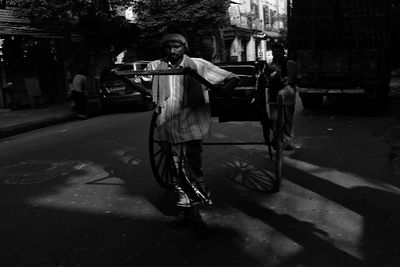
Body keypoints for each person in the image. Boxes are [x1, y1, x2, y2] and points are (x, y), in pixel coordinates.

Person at [145, 30, 240, 231]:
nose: (172, 51)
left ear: (184, 48)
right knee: (175, 172)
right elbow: (140, 81)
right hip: (166, 128)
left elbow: (232, 77)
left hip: (191, 126)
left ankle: (195, 211)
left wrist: (223, 91)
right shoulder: (154, 67)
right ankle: (182, 211)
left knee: (192, 169)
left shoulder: (199, 65)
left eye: (176, 47)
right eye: (168, 47)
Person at [267, 42, 297, 151]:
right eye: (275, 52)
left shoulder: (291, 63)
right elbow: (267, 79)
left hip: (288, 95)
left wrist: (284, 76)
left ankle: (288, 141)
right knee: (274, 119)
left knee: (288, 121)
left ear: (283, 52)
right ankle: (276, 138)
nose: (277, 54)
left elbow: (293, 78)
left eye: (279, 51)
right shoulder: (270, 65)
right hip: (274, 96)